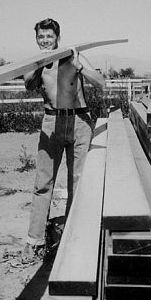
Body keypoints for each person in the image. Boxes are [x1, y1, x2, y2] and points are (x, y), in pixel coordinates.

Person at [22, 18, 105, 263]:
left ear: (58, 37)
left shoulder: (73, 55)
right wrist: (38, 65)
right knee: (42, 183)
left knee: (78, 182)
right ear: (37, 39)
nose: (45, 41)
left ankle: (74, 237)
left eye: (49, 36)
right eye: (41, 37)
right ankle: (35, 242)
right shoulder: (35, 62)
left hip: (80, 121)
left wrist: (80, 66)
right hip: (52, 123)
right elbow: (29, 85)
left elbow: (101, 84)